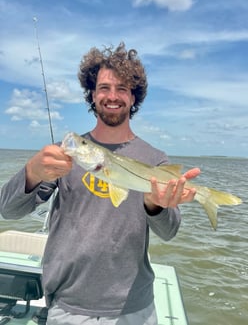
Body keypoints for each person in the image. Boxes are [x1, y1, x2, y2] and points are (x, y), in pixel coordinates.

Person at [0, 42, 200, 325]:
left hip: (134, 308)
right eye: (104, 87)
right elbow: (9, 211)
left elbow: (169, 232)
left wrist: (155, 206)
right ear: (92, 95)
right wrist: (32, 171)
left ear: (133, 97)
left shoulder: (155, 159)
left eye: (122, 88)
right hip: (68, 304)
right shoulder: (64, 155)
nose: (112, 96)